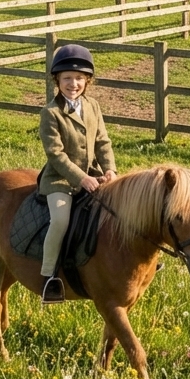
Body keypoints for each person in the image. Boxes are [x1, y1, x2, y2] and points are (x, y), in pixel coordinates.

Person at [37, 44, 117, 304]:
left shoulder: (92, 105)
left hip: (94, 175)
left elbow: (103, 141)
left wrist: (110, 170)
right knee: (60, 220)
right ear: (57, 80)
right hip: (60, 180)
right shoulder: (50, 113)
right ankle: (49, 276)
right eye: (67, 78)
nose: (73, 83)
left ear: (87, 81)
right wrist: (81, 179)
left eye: (79, 78)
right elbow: (56, 155)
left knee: (122, 209)